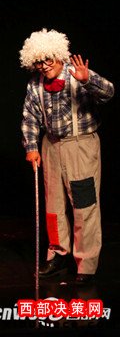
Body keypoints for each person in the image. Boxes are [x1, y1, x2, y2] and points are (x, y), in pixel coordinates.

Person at [19, 28, 115, 284]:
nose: (43, 65)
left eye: (47, 59)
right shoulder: (35, 84)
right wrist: (31, 147)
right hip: (51, 146)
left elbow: (108, 92)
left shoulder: (77, 73)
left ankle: (86, 263)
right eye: (38, 61)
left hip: (80, 147)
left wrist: (88, 80)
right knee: (53, 207)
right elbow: (30, 117)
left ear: (59, 55)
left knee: (84, 205)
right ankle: (58, 254)